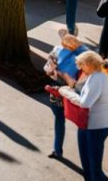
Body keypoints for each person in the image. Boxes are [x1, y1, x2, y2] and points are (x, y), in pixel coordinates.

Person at [60, 52, 108, 181]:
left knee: (94, 165)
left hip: (97, 126)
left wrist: (65, 92)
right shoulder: (96, 75)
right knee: (86, 158)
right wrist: (72, 90)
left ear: (90, 64)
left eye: (81, 65)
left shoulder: (98, 78)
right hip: (89, 123)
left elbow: (85, 102)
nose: (79, 68)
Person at [43, 30, 90, 159]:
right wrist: (52, 70)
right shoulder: (60, 52)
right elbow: (48, 70)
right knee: (60, 120)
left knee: (71, 123)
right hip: (61, 92)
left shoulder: (82, 55)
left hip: (68, 93)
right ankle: (57, 149)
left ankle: (59, 150)